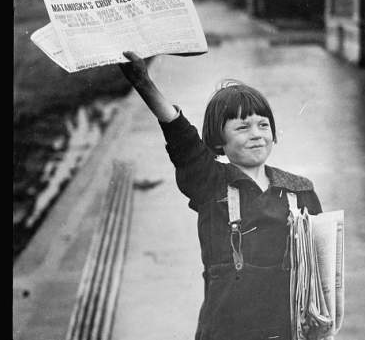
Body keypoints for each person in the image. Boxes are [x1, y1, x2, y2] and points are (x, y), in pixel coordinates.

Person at [119, 51, 323, 340]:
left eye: (263, 125)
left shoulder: (300, 191)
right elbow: (183, 140)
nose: (256, 134)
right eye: (242, 127)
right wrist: (144, 83)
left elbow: (321, 273)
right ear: (218, 140)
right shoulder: (211, 182)